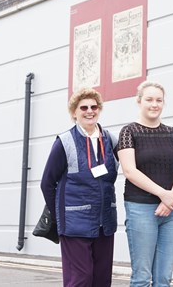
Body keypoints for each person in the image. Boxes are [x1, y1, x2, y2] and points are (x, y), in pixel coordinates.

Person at [40, 88, 118, 287]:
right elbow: (47, 183)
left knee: (101, 280)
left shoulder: (110, 139)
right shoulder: (64, 141)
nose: (89, 111)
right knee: (80, 280)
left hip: (105, 223)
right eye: (84, 107)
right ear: (74, 112)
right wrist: (61, 215)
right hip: (75, 223)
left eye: (94, 107)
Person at [117, 81, 173, 287]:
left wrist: (171, 198)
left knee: (164, 278)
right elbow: (130, 171)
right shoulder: (129, 132)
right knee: (141, 277)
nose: (154, 104)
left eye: (159, 100)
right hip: (141, 209)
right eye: (149, 99)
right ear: (139, 101)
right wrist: (162, 194)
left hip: (171, 211)